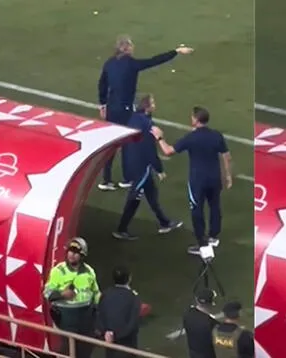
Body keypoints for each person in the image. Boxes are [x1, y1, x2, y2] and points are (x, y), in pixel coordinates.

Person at [97, 34, 194, 191]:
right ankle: (127, 178)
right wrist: (175, 51)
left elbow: (102, 84)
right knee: (127, 143)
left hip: (112, 108)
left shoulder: (109, 63)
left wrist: (102, 104)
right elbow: (154, 61)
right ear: (127, 48)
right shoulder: (131, 64)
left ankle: (106, 180)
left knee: (111, 145)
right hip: (125, 109)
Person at [151, 106, 233, 256]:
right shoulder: (216, 135)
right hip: (214, 178)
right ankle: (214, 236)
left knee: (197, 211)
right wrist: (227, 176)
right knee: (215, 206)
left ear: (195, 120)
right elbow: (226, 156)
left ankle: (202, 244)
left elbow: (168, 151)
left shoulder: (191, 138)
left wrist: (159, 138)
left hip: (198, 181)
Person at [112, 94, 183, 240]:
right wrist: (159, 169)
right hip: (141, 166)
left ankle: (165, 222)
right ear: (147, 107)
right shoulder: (148, 124)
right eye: (153, 103)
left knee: (151, 193)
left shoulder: (134, 118)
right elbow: (149, 149)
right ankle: (121, 229)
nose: (155, 105)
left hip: (133, 161)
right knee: (134, 197)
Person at [43, 237, 100, 357]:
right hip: (65, 318)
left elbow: (96, 293)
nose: (72, 255)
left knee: (85, 349)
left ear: (82, 255)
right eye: (70, 251)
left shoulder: (89, 272)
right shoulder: (58, 271)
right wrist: (62, 294)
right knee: (67, 350)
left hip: (86, 317)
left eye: (76, 253)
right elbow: (47, 293)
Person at [96, 266, 142, 358]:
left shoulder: (105, 294)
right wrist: (116, 335)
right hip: (127, 343)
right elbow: (132, 323)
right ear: (129, 278)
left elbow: (99, 315)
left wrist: (106, 332)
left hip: (108, 340)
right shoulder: (133, 297)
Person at [183, 288, 219, 358]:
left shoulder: (187, 314)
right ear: (212, 303)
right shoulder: (212, 323)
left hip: (193, 354)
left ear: (197, 300)